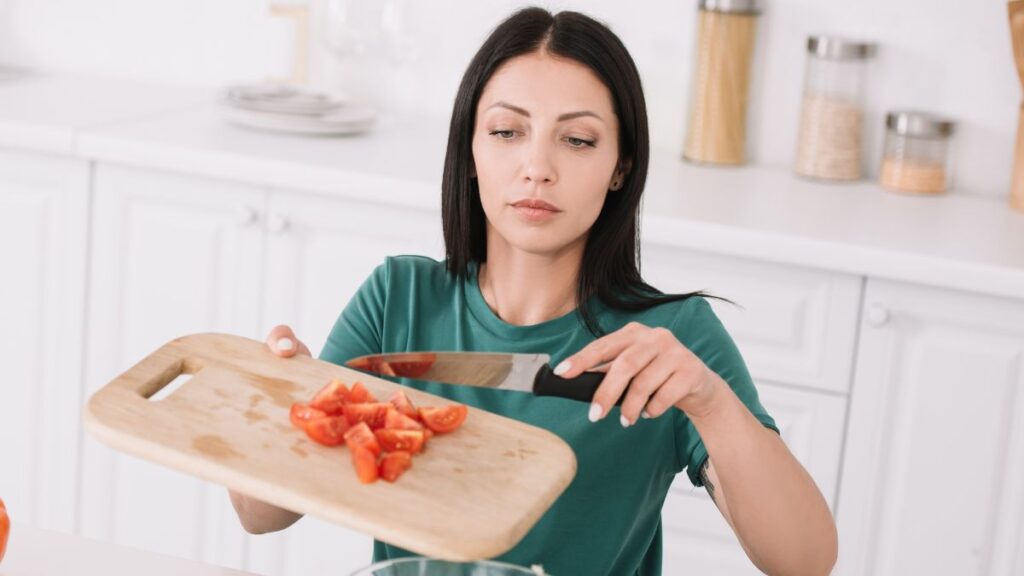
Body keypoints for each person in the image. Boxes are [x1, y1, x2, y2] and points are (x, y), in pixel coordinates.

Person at [229, 7, 838, 575]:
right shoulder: (399, 298)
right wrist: (277, 403)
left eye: (577, 140)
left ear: (621, 166)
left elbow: (804, 561)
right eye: (506, 132)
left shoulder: (671, 338)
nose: (537, 166)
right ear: (470, 149)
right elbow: (263, 515)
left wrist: (710, 401)